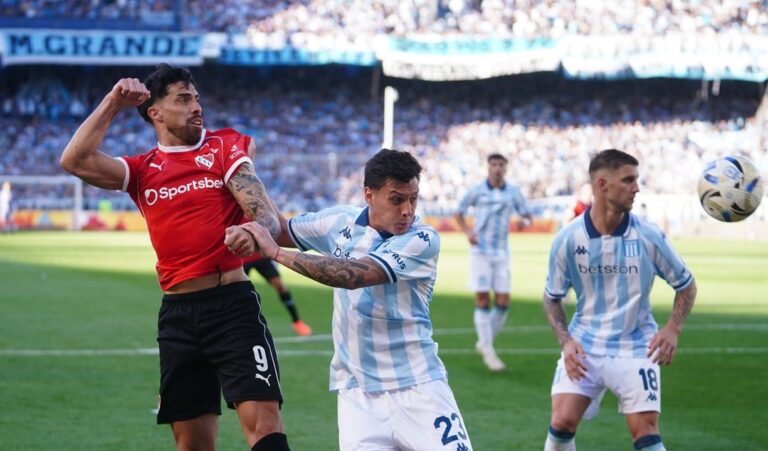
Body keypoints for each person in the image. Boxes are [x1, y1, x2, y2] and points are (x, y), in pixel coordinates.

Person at [60, 64, 291, 451]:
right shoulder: (141, 170)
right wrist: (113, 102)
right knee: (193, 444)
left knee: (266, 429)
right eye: (183, 100)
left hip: (232, 310)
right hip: (178, 317)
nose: (196, 106)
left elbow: (263, 209)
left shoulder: (223, 147)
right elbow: (74, 160)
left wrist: (257, 231)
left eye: (196, 98)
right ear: (156, 111)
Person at [238, 149, 474, 451]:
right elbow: (282, 230)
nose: (407, 210)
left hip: (418, 387)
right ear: (368, 194)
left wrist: (275, 253)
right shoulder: (340, 221)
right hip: (357, 394)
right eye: (396, 199)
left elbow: (352, 274)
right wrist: (246, 173)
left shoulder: (423, 239)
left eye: (413, 199)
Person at [542, 149, 697, 451]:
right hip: (585, 345)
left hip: (637, 346)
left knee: (646, 434)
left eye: (636, 180)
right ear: (602, 185)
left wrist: (672, 329)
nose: (636, 188)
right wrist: (566, 341)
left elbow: (687, 285)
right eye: (628, 180)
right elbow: (552, 299)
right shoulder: (568, 240)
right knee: (560, 423)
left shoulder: (649, 236)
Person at [454, 153, 532, 372]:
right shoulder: (477, 190)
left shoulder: (513, 192)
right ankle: (488, 349)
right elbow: (459, 211)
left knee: (503, 300)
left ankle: (484, 342)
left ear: (505, 168)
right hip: (480, 251)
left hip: (501, 251)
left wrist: (524, 222)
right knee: (482, 297)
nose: (497, 168)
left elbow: (527, 214)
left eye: (501, 165)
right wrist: (468, 231)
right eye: (494, 165)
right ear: (488, 167)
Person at [242, 251, 312, 336]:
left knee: (280, 287)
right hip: (241, 258)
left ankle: (297, 322)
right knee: (238, 291)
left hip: (260, 256)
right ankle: (239, 324)